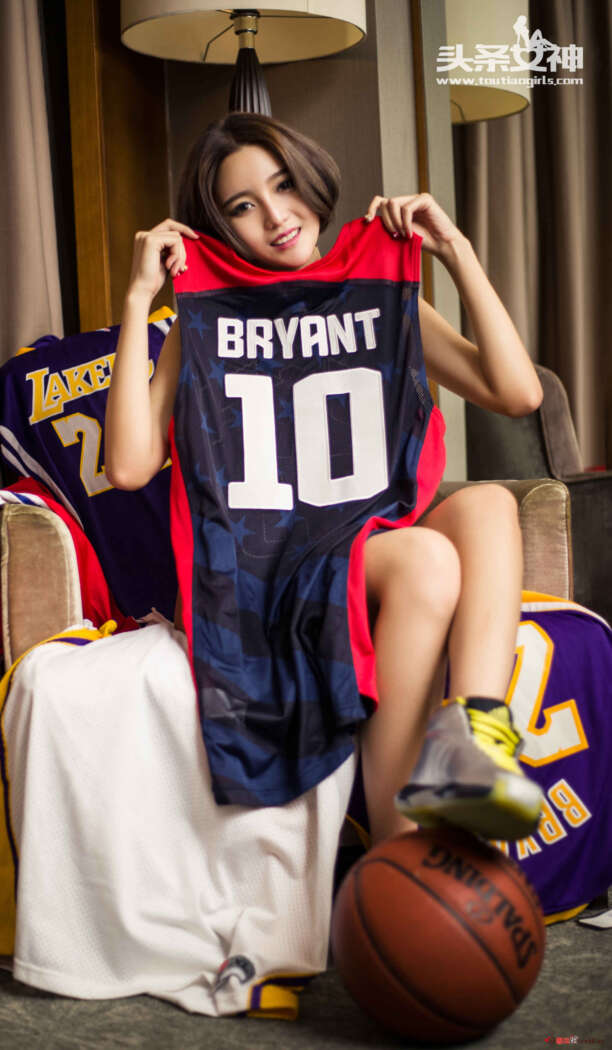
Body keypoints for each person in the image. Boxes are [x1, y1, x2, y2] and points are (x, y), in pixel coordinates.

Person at [105, 112, 544, 847]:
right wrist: (135, 301)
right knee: (428, 557)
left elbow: (518, 393)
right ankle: (397, 846)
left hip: (361, 538)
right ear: (218, 227)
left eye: (283, 185)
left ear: (310, 178)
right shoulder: (206, 319)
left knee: (490, 505)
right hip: (269, 568)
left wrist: (456, 251)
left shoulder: (374, 290)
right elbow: (127, 466)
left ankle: (475, 745)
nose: (275, 215)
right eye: (242, 206)